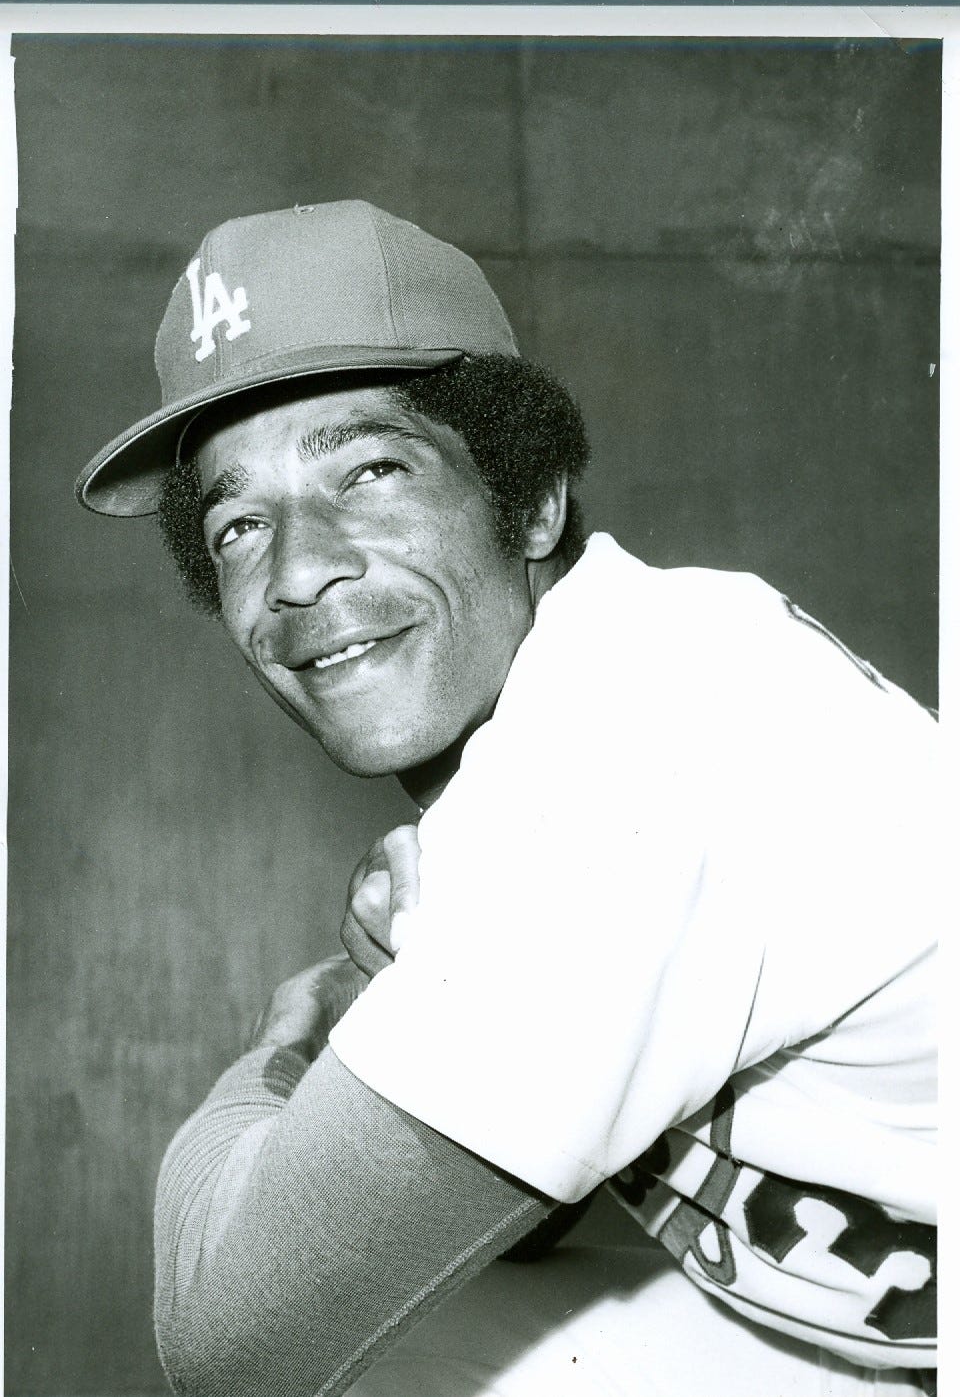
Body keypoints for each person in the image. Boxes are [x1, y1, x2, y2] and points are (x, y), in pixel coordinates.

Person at [75, 200, 939, 1397]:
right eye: (239, 524)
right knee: (408, 1320)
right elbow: (505, 1223)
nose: (299, 570)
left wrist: (292, 1044)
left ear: (530, 500)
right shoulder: (570, 721)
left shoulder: (637, 738)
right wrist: (421, 993)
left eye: (370, 470)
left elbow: (231, 1343)